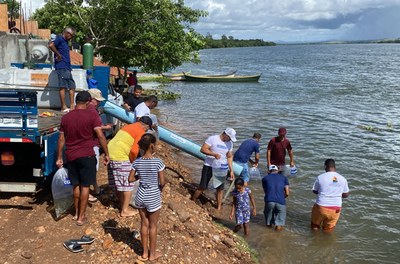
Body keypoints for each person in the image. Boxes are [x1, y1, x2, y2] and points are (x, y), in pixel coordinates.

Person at [56, 91, 110, 226]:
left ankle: (75, 214)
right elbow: (100, 135)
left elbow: (61, 138)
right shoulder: (92, 116)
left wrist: (59, 157)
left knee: (76, 185)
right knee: (85, 186)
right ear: (87, 102)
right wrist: (107, 153)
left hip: (71, 155)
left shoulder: (66, 118)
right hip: (87, 155)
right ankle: (81, 217)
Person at [128, 133, 165, 262]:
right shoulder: (158, 162)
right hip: (153, 195)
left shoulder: (137, 162)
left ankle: (144, 253)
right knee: (153, 226)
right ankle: (152, 254)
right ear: (152, 146)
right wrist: (161, 188)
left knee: (144, 224)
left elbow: (130, 179)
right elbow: (162, 182)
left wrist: (140, 177)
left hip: (140, 195)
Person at [107, 117, 153, 217]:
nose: (146, 131)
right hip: (120, 156)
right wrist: (133, 162)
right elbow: (133, 150)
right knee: (128, 183)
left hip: (110, 152)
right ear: (145, 126)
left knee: (118, 182)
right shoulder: (140, 130)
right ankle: (125, 210)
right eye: (148, 129)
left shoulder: (129, 126)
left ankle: (122, 203)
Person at [191, 128, 237, 210]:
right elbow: (203, 149)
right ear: (225, 134)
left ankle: (218, 207)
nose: (230, 140)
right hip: (209, 165)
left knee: (220, 188)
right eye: (229, 138)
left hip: (221, 168)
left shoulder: (230, 143)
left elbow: (229, 156)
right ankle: (193, 200)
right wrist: (213, 154)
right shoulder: (213, 138)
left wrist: (231, 170)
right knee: (203, 186)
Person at [311, 159, 349, 233]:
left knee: (315, 226)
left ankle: (315, 239)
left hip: (321, 206)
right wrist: (336, 193)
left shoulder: (320, 177)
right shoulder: (343, 179)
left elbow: (314, 190)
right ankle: (326, 242)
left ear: (325, 166)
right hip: (336, 208)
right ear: (335, 167)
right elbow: (346, 194)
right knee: (328, 230)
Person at [87, 88, 112, 202]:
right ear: (91, 99)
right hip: (93, 143)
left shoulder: (88, 109)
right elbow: (96, 128)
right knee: (92, 168)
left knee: (91, 168)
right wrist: (106, 127)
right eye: (97, 100)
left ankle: (96, 188)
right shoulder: (92, 110)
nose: (99, 102)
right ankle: (87, 193)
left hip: (89, 142)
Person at [48, 27, 76, 112]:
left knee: (72, 86)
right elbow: (51, 45)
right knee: (63, 86)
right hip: (61, 66)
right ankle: (63, 106)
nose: (71, 38)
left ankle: (72, 105)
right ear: (67, 33)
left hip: (67, 67)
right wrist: (58, 54)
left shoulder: (66, 42)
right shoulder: (60, 38)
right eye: (71, 35)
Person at [262, 165, 290, 231]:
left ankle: (268, 235)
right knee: (279, 224)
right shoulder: (284, 178)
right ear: (277, 171)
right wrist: (282, 198)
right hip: (281, 201)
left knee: (268, 222)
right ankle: (277, 237)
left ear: (268, 171)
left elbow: (266, 191)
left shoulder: (265, 178)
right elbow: (287, 193)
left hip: (269, 201)